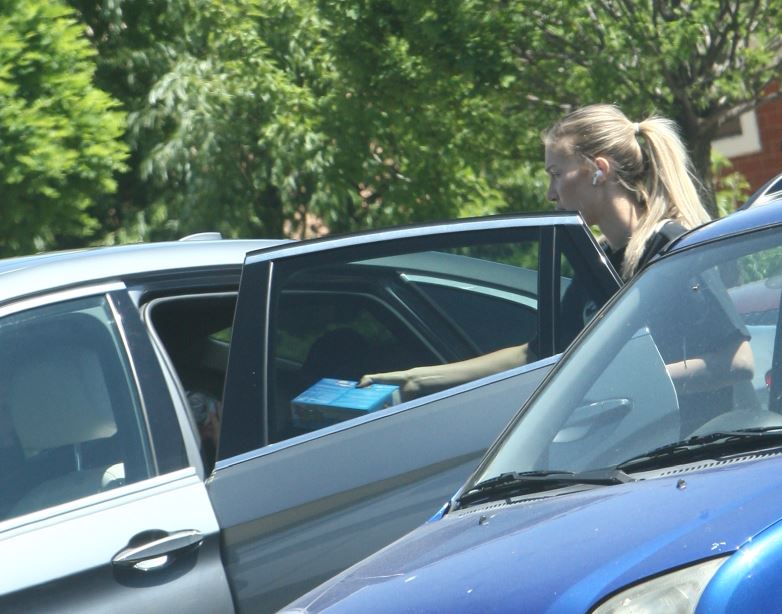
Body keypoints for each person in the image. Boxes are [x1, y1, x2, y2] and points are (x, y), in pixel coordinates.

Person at [359, 103, 753, 402]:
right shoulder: (598, 258)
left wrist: (626, 381)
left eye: (556, 174)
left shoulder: (671, 247)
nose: (550, 193)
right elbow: (538, 353)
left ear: (598, 170)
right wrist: (419, 377)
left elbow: (738, 361)